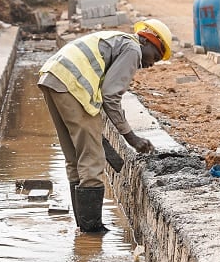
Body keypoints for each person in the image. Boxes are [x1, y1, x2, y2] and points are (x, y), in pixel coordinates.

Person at [38, 19, 173, 233]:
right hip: (72, 86)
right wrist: (131, 137)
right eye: (155, 57)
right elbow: (111, 95)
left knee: (75, 159)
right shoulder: (133, 49)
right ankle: (92, 233)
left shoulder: (119, 40)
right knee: (92, 160)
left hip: (52, 78)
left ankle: (83, 228)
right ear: (149, 42)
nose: (151, 64)